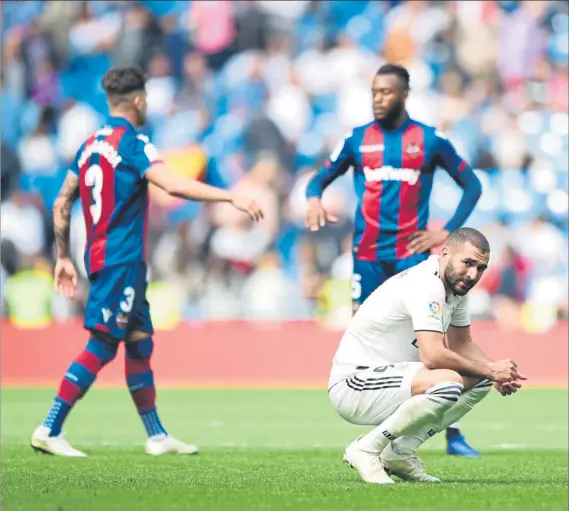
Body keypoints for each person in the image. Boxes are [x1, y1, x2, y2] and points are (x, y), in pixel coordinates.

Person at [31, 66, 264, 457]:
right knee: (104, 344)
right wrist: (231, 197)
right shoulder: (134, 142)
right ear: (139, 100)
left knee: (140, 344)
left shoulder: (89, 144)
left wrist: (62, 258)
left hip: (111, 259)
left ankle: (156, 435)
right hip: (120, 259)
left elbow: (61, 202)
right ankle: (50, 427)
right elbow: (171, 184)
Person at [305, 63, 483, 456]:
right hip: (367, 256)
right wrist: (314, 198)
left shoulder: (430, 140)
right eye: (373, 92)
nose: (378, 99)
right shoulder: (356, 140)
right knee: (368, 338)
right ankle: (382, 428)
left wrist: (448, 233)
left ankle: (450, 431)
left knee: (426, 341)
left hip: (411, 256)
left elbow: (472, 184)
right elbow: (318, 178)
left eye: (386, 92)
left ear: (404, 95)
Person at [327, 228, 526, 484]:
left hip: (395, 381)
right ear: (445, 253)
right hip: (354, 384)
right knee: (449, 381)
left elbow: (462, 344)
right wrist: (489, 368)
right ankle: (366, 449)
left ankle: (398, 453)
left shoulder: (455, 287)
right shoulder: (425, 285)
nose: (473, 274)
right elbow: (432, 355)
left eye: (481, 268)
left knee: (480, 378)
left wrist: (493, 372)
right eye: (468, 263)